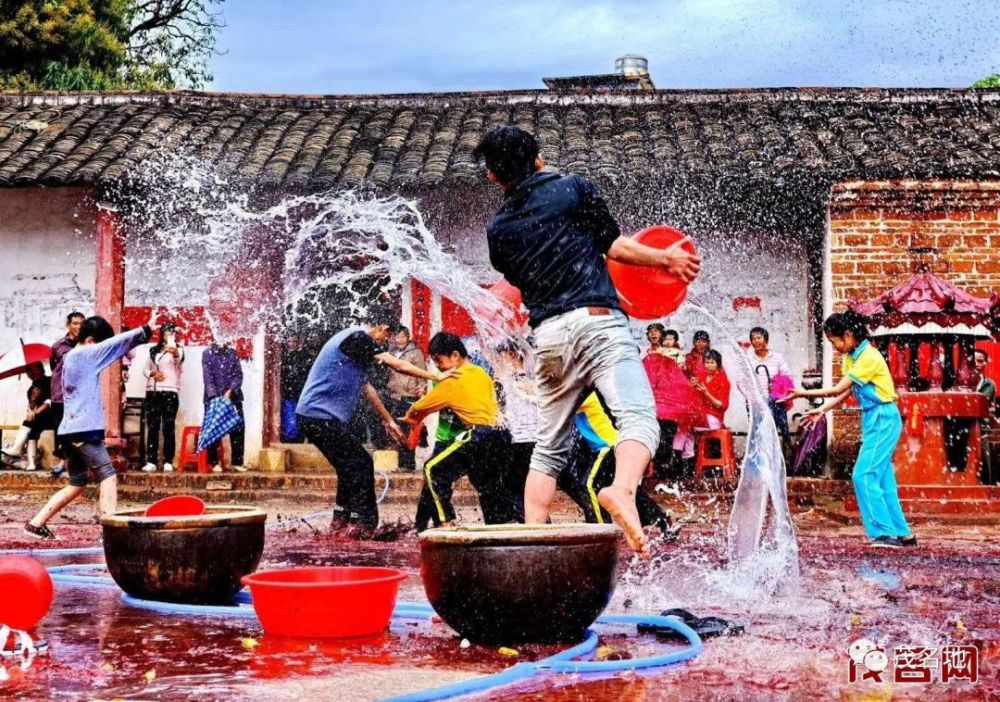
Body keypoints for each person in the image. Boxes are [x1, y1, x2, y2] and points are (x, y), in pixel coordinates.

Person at [474, 125, 700, 558]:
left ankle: (532, 544)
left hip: (549, 338)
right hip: (599, 324)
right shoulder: (571, 188)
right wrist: (666, 257)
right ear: (538, 158)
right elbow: (614, 247)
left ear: (494, 176)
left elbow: (526, 280)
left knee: (549, 446)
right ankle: (623, 491)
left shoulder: (497, 230)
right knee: (638, 420)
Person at [296, 307, 441, 535]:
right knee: (362, 463)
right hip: (317, 416)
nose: (385, 341)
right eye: (386, 336)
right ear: (383, 328)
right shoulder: (357, 337)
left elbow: (366, 387)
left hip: (317, 417)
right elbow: (398, 364)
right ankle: (365, 524)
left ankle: (342, 519)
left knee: (349, 466)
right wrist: (436, 376)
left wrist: (388, 421)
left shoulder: (354, 346)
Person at [786, 311, 914, 549]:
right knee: (883, 479)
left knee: (863, 475)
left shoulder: (869, 357)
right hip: (872, 418)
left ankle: (884, 534)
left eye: (835, 341)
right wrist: (821, 410)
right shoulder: (852, 356)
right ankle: (903, 533)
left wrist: (803, 393)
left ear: (848, 334)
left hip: (884, 416)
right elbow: (846, 392)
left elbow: (837, 389)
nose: (834, 347)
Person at [23, 319, 154, 539]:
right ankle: (111, 531)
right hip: (83, 430)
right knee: (108, 475)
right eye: (98, 344)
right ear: (91, 340)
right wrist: (145, 330)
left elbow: (115, 348)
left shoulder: (72, 356)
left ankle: (36, 524)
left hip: (69, 430)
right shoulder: (86, 354)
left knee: (77, 483)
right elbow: (116, 344)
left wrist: (139, 336)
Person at [406, 333, 522, 531]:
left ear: (455, 356)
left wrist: (409, 419)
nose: (438, 368)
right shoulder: (481, 373)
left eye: (439, 361)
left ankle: (446, 525)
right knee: (487, 484)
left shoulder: (452, 379)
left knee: (432, 470)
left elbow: (418, 409)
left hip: (479, 435)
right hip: (501, 435)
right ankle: (500, 528)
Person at [560, 393, 675, 536]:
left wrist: (526, 393)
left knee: (590, 486)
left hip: (606, 446)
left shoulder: (584, 396)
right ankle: (663, 522)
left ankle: (600, 529)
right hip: (611, 445)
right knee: (625, 490)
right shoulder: (583, 394)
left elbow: (557, 404)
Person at [141, 323, 184, 473]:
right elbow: (145, 369)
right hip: (153, 391)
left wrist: (174, 352)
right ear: (162, 333)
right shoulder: (153, 350)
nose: (169, 333)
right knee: (152, 426)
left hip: (170, 391)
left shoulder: (178, 350)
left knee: (168, 426)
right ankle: (151, 460)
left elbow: (179, 361)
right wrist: (152, 374)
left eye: (172, 331)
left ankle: (168, 460)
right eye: (166, 331)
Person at [47, 311, 85, 478]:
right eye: (75, 323)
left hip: (78, 395)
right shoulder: (58, 346)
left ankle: (73, 463)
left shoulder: (86, 344)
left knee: (76, 430)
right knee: (61, 430)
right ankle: (63, 462)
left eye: (81, 323)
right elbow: (53, 366)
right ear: (68, 325)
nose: (78, 326)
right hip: (59, 395)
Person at [385, 326, 428, 470]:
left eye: (402, 336)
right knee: (397, 430)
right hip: (395, 396)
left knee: (409, 431)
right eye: (397, 337)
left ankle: (408, 464)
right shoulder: (391, 353)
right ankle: (400, 463)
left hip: (410, 396)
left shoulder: (415, 353)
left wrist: (422, 390)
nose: (399, 340)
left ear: (408, 337)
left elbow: (422, 373)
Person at [202, 341, 246, 473]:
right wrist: (216, 397)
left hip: (233, 397)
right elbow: (208, 378)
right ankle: (213, 462)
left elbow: (238, 375)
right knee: (213, 429)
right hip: (213, 398)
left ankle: (237, 462)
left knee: (238, 428)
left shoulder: (232, 353)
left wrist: (230, 391)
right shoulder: (207, 354)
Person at [1, 363, 53, 471]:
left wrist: (36, 412)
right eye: (28, 371)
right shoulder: (31, 389)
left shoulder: (49, 381)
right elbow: (31, 408)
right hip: (39, 420)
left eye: (34, 370)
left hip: (53, 416)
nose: (31, 373)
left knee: (30, 422)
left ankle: (17, 449)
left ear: (41, 369)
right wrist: (33, 399)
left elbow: (49, 402)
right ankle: (31, 463)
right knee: (32, 430)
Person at [747, 327, 793, 445]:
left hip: (775, 402)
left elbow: (788, 376)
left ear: (765, 340)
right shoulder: (748, 359)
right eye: (753, 338)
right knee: (759, 433)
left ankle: (781, 454)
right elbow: (742, 380)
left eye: (759, 338)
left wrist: (778, 388)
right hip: (756, 403)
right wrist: (752, 397)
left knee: (776, 430)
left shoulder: (776, 357)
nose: (756, 341)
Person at [279, 334, 312, 443]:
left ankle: (299, 439)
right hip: (289, 394)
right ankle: (291, 440)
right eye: (289, 341)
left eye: (294, 342)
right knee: (290, 421)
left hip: (301, 393)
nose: (292, 344)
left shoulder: (305, 357)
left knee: (300, 420)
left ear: (298, 343)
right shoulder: (283, 358)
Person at [693, 349, 731, 428]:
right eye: (707, 362)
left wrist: (707, 394)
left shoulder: (723, 381)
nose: (709, 365)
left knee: (689, 425)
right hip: (699, 415)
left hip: (714, 417)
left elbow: (721, 405)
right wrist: (691, 385)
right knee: (683, 424)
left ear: (718, 364)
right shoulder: (701, 378)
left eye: (712, 362)